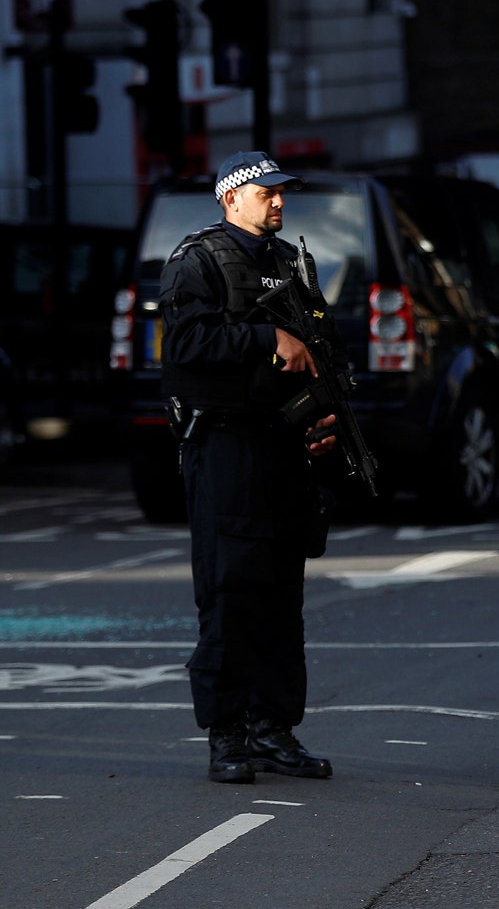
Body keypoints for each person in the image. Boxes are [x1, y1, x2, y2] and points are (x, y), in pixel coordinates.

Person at [160, 150, 341, 785]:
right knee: (232, 590)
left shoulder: (291, 262)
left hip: (285, 446)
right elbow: (183, 345)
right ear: (230, 198)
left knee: (280, 596)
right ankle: (228, 734)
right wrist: (267, 341)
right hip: (226, 446)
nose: (278, 201)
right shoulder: (198, 260)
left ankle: (274, 729)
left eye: (281, 191)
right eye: (265, 192)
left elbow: (323, 347)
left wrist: (328, 420)